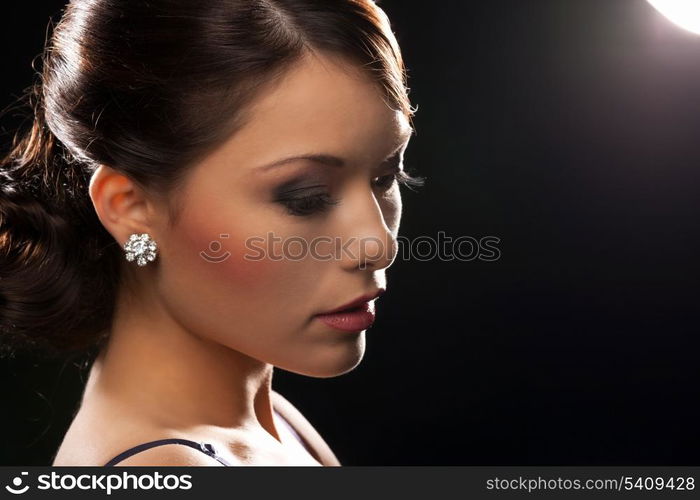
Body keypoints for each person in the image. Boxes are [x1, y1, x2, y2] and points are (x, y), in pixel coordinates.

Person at [0, 0, 424, 466]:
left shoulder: (270, 423)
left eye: (385, 177)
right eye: (304, 197)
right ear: (131, 208)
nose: (379, 245)